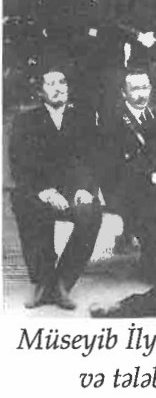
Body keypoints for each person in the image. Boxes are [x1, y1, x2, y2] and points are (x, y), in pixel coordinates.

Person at [91, 68, 156, 317]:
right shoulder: (112, 123)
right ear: (124, 93)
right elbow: (111, 167)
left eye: (145, 88)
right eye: (135, 89)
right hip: (124, 189)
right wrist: (150, 177)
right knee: (155, 207)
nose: (141, 94)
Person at [9, 64, 102, 310]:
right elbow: (19, 162)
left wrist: (85, 189)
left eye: (62, 83)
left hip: (74, 189)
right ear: (41, 91)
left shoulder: (82, 118)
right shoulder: (26, 121)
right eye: (51, 84)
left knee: (91, 212)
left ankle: (62, 283)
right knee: (26, 205)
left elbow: (91, 159)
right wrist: (45, 192)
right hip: (39, 188)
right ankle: (42, 282)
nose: (58, 88)